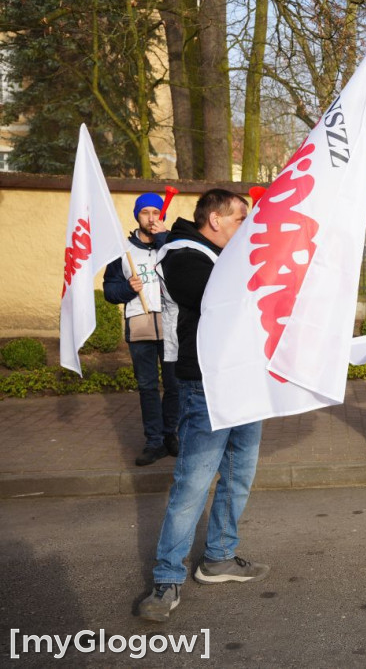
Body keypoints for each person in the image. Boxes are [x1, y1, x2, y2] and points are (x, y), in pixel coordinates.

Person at [138, 189, 266, 623]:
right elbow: (216, 297)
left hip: (244, 380)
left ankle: (218, 558)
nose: (246, 227)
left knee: (237, 476)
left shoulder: (217, 253)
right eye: (240, 219)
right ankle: (167, 577)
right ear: (214, 218)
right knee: (192, 484)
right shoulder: (184, 254)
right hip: (208, 385)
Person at [103, 193, 179, 466]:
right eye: (145, 212)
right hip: (140, 325)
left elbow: (184, 275)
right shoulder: (122, 250)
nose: (151, 217)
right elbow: (110, 291)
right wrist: (127, 288)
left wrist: (164, 240)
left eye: (156, 212)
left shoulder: (171, 245)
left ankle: (172, 435)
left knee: (174, 385)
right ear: (137, 216)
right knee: (147, 387)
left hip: (171, 326)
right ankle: (154, 441)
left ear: (162, 216)